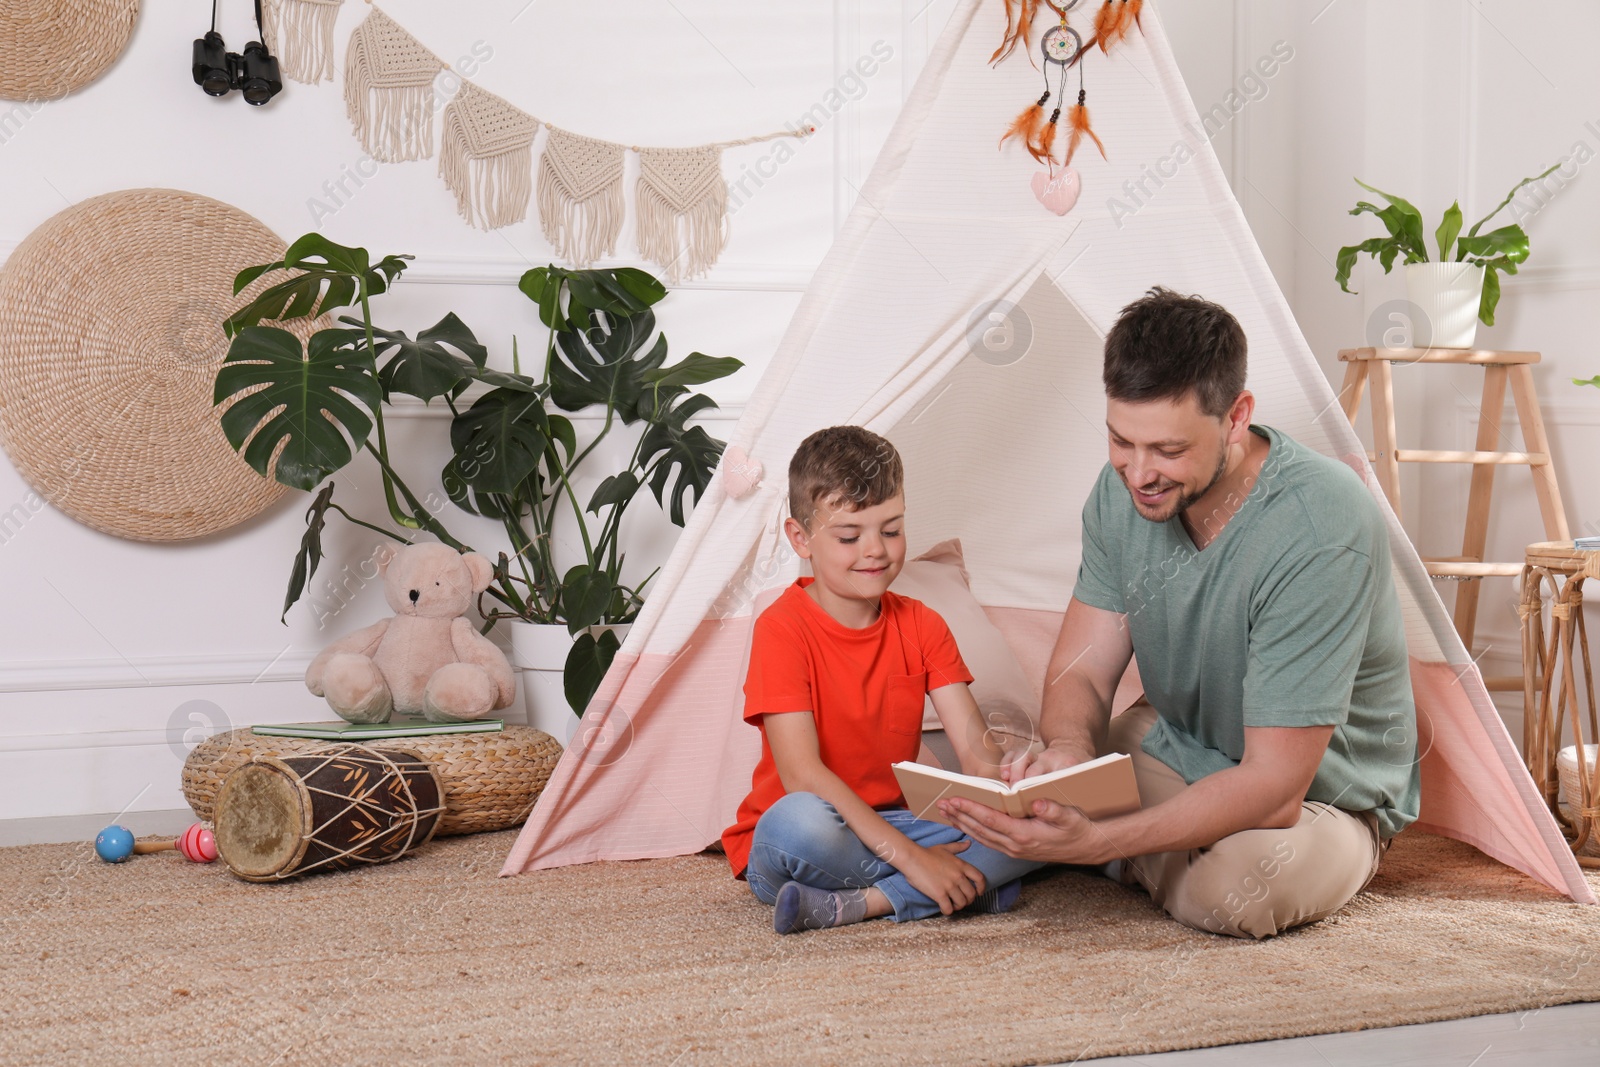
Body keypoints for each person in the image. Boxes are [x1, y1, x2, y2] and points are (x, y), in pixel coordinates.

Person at [942, 287, 1422, 939]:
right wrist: (1071, 751)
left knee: (1234, 893)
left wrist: (1091, 839)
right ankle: (1136, 846)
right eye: (1120, 441)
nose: (1139, 473)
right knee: (1007, 794)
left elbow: (1276, 786)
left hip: (1315, 797)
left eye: (1167, 449)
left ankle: (1113, 853)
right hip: (1175, 743)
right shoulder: (1120, 497)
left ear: (1235, 417)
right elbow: (1082, 674)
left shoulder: (1320, 523)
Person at [722, 425, 1047, 934]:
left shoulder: (923, 624)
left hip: (892, 822)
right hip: (807, 832)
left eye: (891, 530)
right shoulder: (782, 628)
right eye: (850, 536)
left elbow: (976, 753)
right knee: (798, 824)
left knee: (1043, 823)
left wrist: (1006, 791)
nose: (875, 550)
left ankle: (868, 902)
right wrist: (916, 860)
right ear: (801, 539)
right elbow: (803, 776)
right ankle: (957, 886)